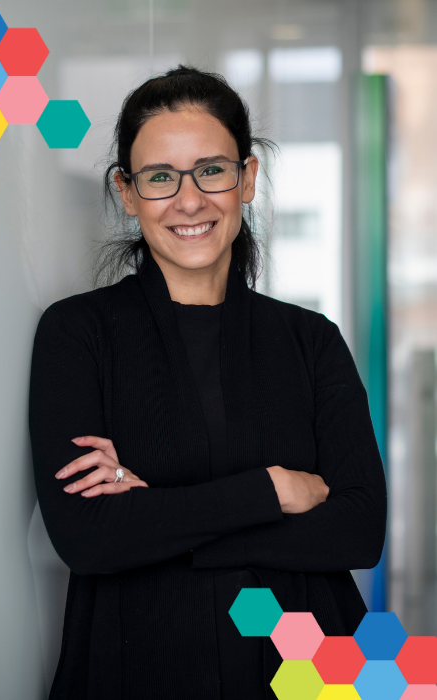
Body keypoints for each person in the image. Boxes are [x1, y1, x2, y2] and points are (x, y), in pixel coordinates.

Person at [28, 65, 387, 700]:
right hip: (138, 664)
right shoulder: (78, 333)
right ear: (127, 191)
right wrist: (269, 490)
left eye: (211, 170)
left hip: (306, 672)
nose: (189, 201)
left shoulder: (310, 340)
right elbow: (88, 538)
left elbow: (358, 530)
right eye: (160, 178)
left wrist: (159, 516)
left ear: (246, 179)